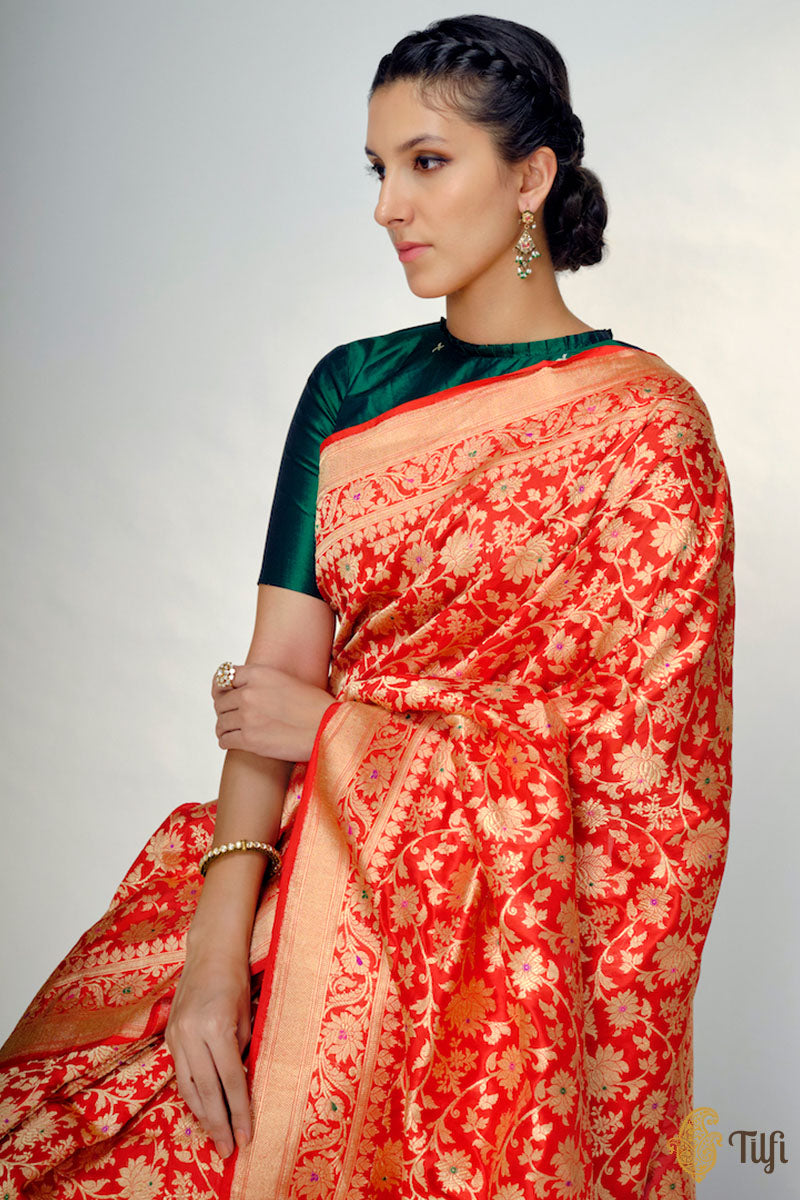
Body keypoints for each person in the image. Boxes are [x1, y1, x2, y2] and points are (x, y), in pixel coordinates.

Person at [0, 14, 735, 1200]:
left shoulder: (647, 431)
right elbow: (271, 684)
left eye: (426, 163)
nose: (389, 206)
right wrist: (212, 953)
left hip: (509, 965)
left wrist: (334, 731)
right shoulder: (350, 389)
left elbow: (654, 797)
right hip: (299, 881)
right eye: (377, 169)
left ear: (530, 177)